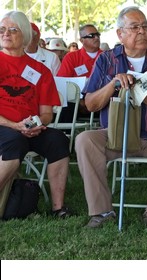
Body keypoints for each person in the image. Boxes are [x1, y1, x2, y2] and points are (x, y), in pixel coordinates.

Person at [75, 6, 147, 230]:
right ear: (120, 34)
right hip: (114, 137)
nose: (142, 32)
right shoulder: (106, 60)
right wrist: (113, 84)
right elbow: (90, 104)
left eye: (145, 27)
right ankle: (102, 212)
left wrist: (143, 95)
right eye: (135, 27)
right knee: (84, 140)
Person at [0, 10, 72, 217]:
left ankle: (58, 208)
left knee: (58, 140)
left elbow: (47, 113)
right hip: (5, 128)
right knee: (15, 141)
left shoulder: (40, 70)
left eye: (13, 30)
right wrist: (15, 126)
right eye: (2, 29)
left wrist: (35, 124)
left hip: (29, 128)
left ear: (25, 35)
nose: (6, 34)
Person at [57, 24, 103, 123]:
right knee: (66, 106)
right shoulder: (71, 57)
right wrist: (80, 101)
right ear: (82, 40)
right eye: (91, 36)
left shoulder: (107, 57)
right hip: (76, 102)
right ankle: (66, 136)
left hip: (101, 100)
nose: (96, 38)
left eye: (97, 35)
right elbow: (62, 82)